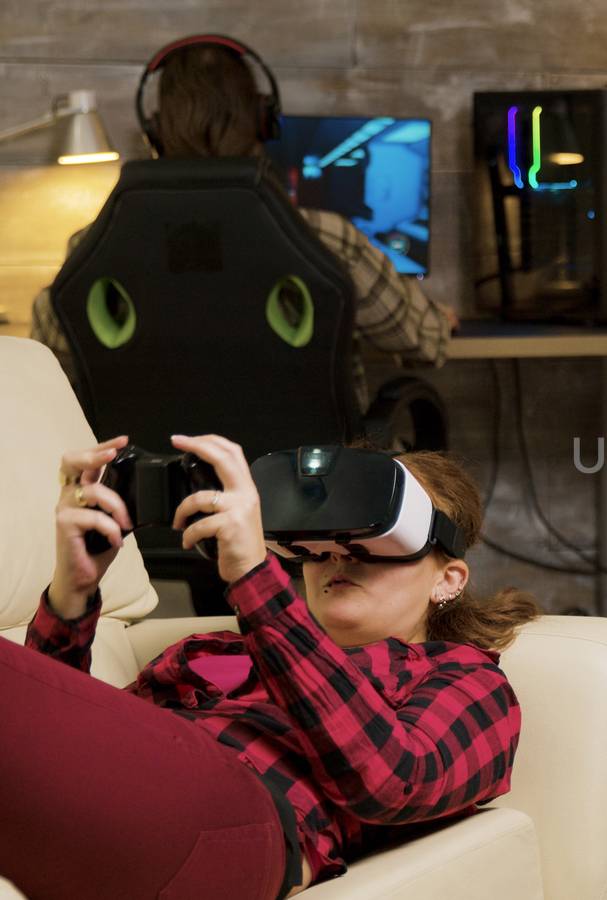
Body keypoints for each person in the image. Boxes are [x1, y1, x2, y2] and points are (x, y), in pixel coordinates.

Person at [0, 434, 541, 900]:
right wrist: (75, 587)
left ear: (448, 579)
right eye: (319, 542)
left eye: (370, 539)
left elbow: (395, 782)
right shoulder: (214, 649)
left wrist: (254, 578)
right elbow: (50, 742)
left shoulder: (463, 679)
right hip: (113, 813)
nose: (337, 556)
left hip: (236, 823)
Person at [29, 39, 456, 404]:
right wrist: (439, 317)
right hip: (311, 488)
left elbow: (48, 355)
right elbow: (424, 341)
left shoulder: (97, 247)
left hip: (153, 487)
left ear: (155, 131)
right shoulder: (324, 238)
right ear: (264, 120)